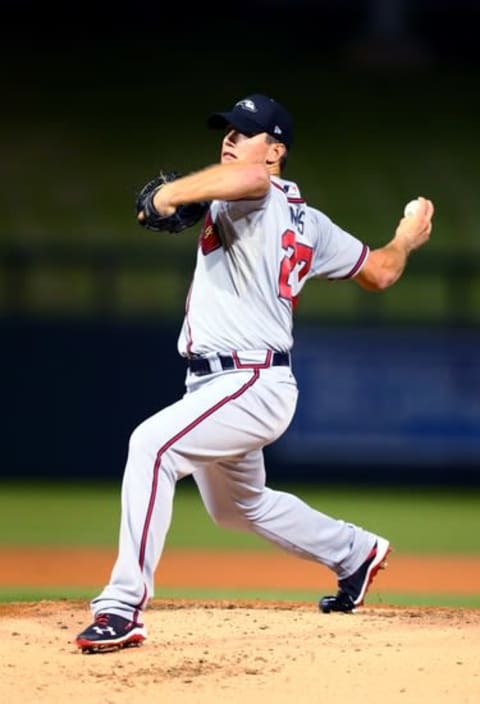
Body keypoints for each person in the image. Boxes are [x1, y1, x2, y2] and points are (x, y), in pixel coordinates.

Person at [75, 93, 434, 652]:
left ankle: (121, 606)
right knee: (239, 506)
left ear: (276, 152)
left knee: (151, 446)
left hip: (249, 381)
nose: (231, 138)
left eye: (247, 132)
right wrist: (406, 236)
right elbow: (382, 271)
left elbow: (252, 184)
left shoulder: (256, 193)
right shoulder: (309, 222)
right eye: (229, 130)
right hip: (232, 384)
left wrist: (169, 194)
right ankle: (355, 553)